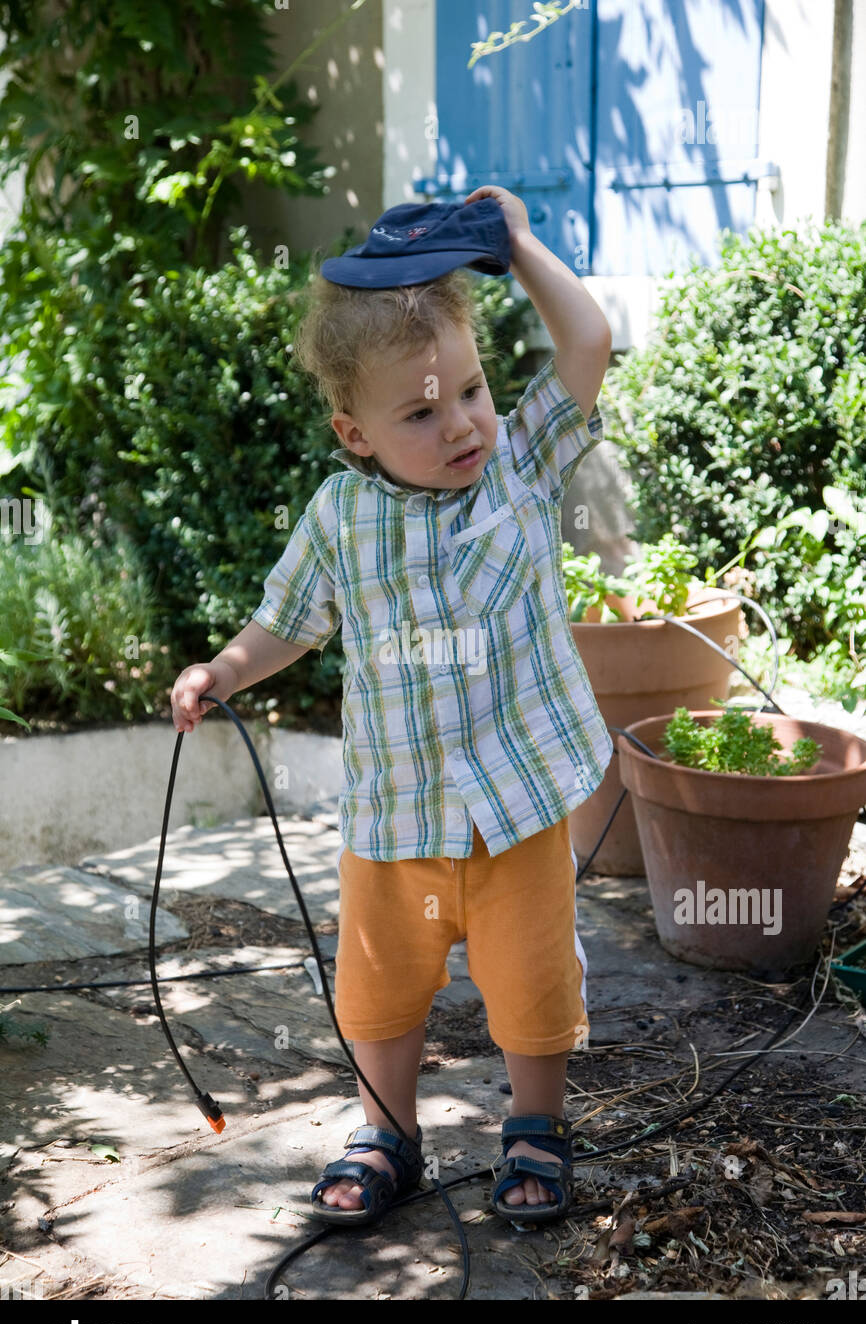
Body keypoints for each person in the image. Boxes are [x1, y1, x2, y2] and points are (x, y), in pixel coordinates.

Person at [170, 187, 614, 1229]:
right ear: (353, 431)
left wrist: (514, 240)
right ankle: (387, 1130)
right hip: (395, 814)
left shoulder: (521, 467)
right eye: (419, 411)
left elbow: (587, 339)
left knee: (533, 983)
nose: (458, 422)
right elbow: (287, 621)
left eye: (468, 389)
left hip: (516, 808)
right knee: (376, 989)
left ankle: (534, 1128)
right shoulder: (339, 518)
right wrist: (224, 672)